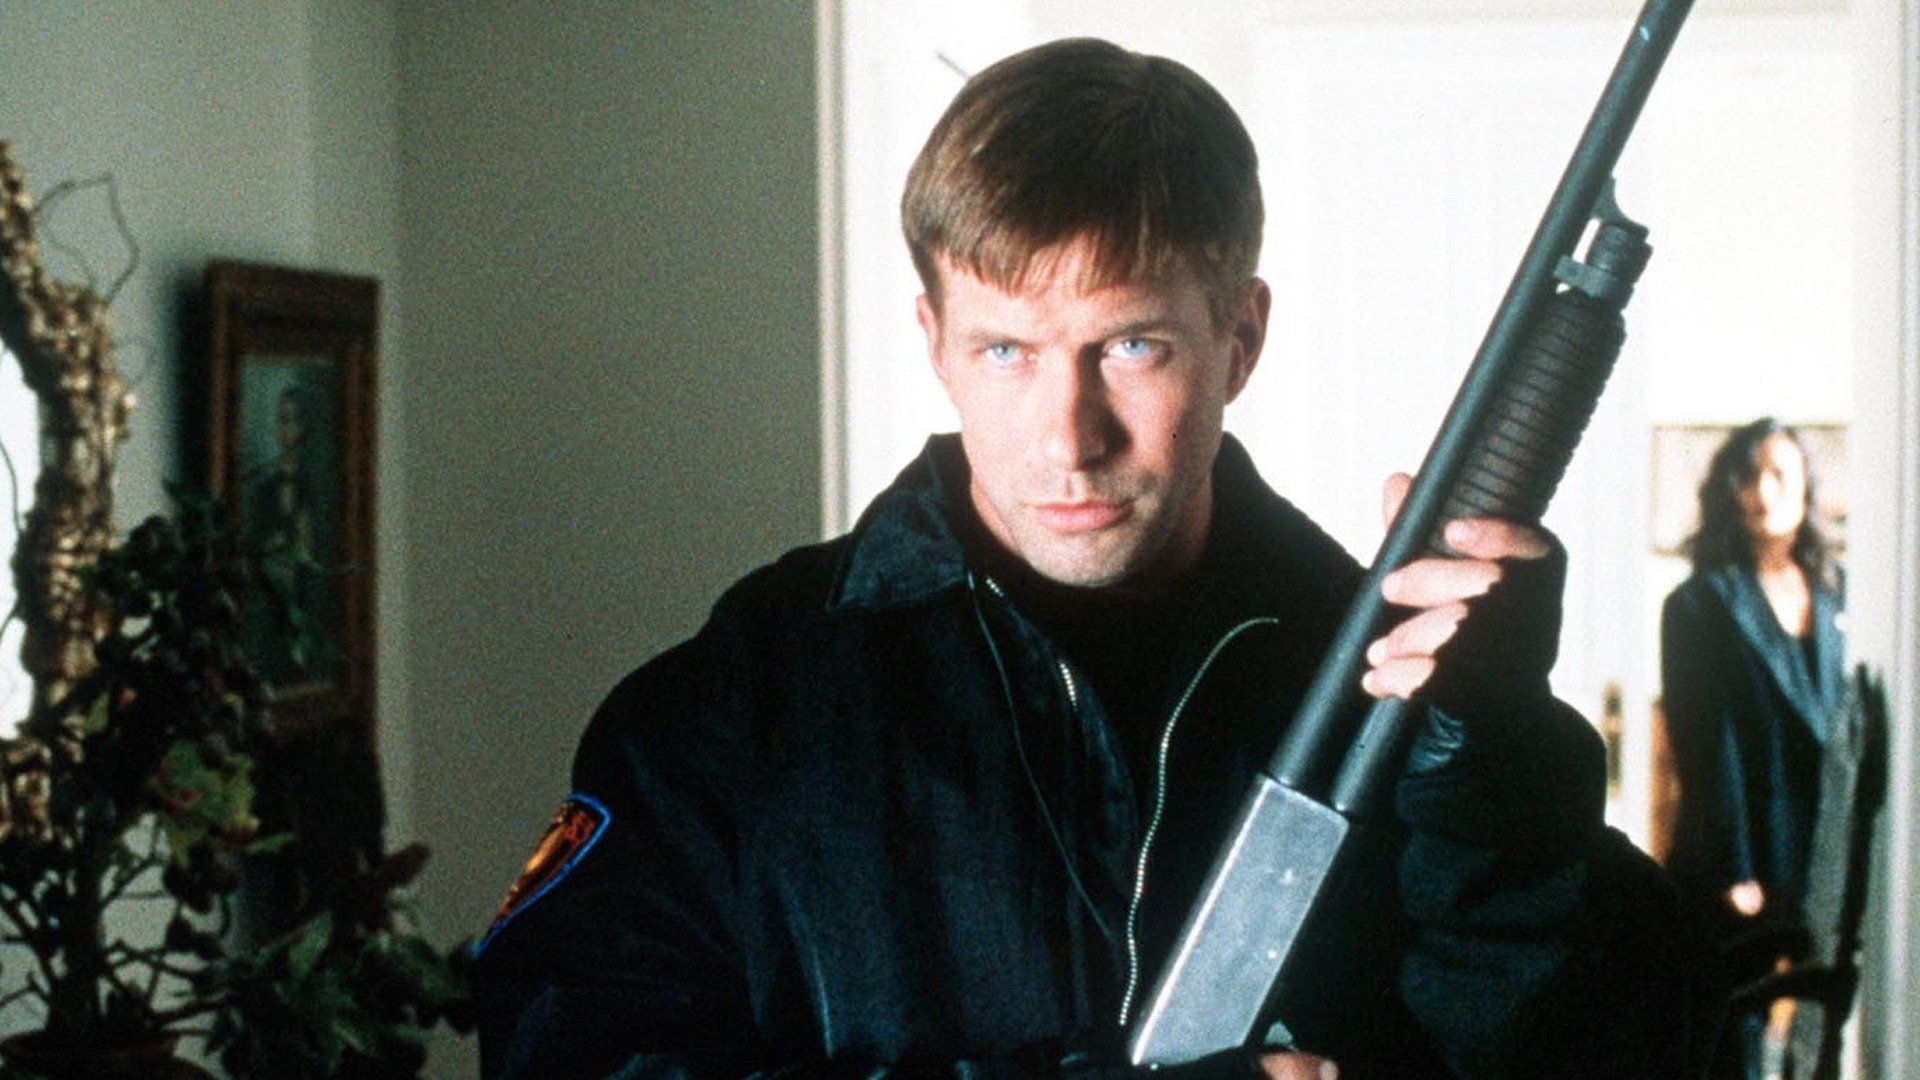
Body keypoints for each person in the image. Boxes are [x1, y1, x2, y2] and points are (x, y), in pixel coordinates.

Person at [472, 38, 1692, 1079]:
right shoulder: (740, 703)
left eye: (1131, 347)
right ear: (936, 344)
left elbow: (1618, 1043)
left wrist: (1500, 777)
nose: (1070, 438)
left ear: (1240, 338)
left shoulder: (1394, 685)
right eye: (1006, 351)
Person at [1660, 417, 1844, 1078]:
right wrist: (1734, 868)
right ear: (1729, 490)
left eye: (1779, 475)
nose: (1764, 491)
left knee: (1824, 1019)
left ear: (1805, 488)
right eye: (1750, 475)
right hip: (1740, 848)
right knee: (1734, 1029)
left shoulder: (1836, 590)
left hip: (1822, 843)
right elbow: (1704, 745)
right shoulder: (1697, 604)